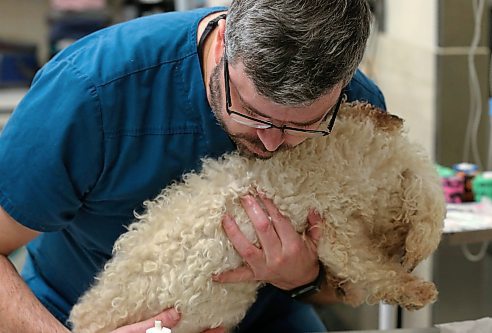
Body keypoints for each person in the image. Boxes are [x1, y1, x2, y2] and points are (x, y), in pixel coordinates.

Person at [0, 0, 386, 332]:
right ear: (222, 44)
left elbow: (347, 284)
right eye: (251, 113)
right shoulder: (90, 92)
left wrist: (305, 277)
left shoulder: (359, 116)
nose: (271, 143)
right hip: (79, 314)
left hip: (264, 316)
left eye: (303, 126)